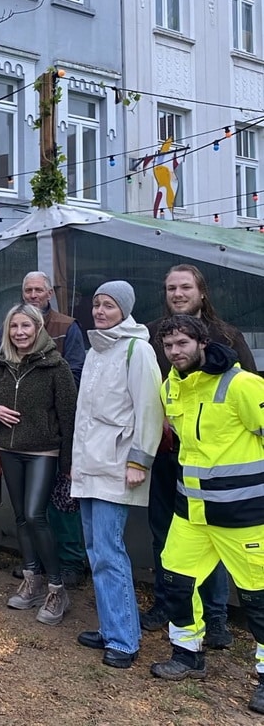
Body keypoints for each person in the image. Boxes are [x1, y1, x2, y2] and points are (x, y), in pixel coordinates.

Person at [149, 314, 264, 714]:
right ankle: (187, 654)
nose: (174, 352)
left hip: (243, 514)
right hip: (192, 513)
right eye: (168, 346)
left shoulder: (241, 385)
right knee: (176, 582)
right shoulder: (171, 387)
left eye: (182, 343)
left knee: (258, 597)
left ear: (201, 342)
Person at [143, 264, 256, 644]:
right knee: (167, 536)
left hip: (221, 468)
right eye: (171, 288)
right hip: (170, 456)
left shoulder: (227, 336)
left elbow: (248, 389)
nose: (177, 293)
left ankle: (216, 616)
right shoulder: (152, 335)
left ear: (202, 291)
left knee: (218, 542)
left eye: (185, 287)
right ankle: (168, 606)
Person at [73, 281, 163, 669]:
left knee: (110, 551)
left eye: (108, 305)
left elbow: (150, 409)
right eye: (97, 304)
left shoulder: (136, 350)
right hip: (89, 465)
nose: (100, 311)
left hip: (116, 465)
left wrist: (139, 461)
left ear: (124, 310)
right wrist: (76, 463)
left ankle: (124, 639)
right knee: (96, 551)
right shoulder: (95, 350)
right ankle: (111, 627)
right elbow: (85, 417)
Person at [0, 304, 77, 625]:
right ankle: (31, 579)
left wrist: (68, 463)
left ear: (38, 328)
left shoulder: (56, 366)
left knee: (36, 515)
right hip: (8, 448)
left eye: (26, 326)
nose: (19, 332)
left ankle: (57, 588)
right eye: (14, 326)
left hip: (43, 451)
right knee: (21, 516)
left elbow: (69, 417)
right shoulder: (0, 363)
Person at [21, 271, 87, 588]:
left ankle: (72, 563)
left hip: (60, 427)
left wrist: (43, 392)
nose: (33, 295)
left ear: (49, 293)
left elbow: (76, 371)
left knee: (63, 500)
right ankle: (40, 562)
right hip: (25, 429)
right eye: (28, 290)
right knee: (33, 502)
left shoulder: (66, 326)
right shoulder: (15, 324)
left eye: (38, 290)